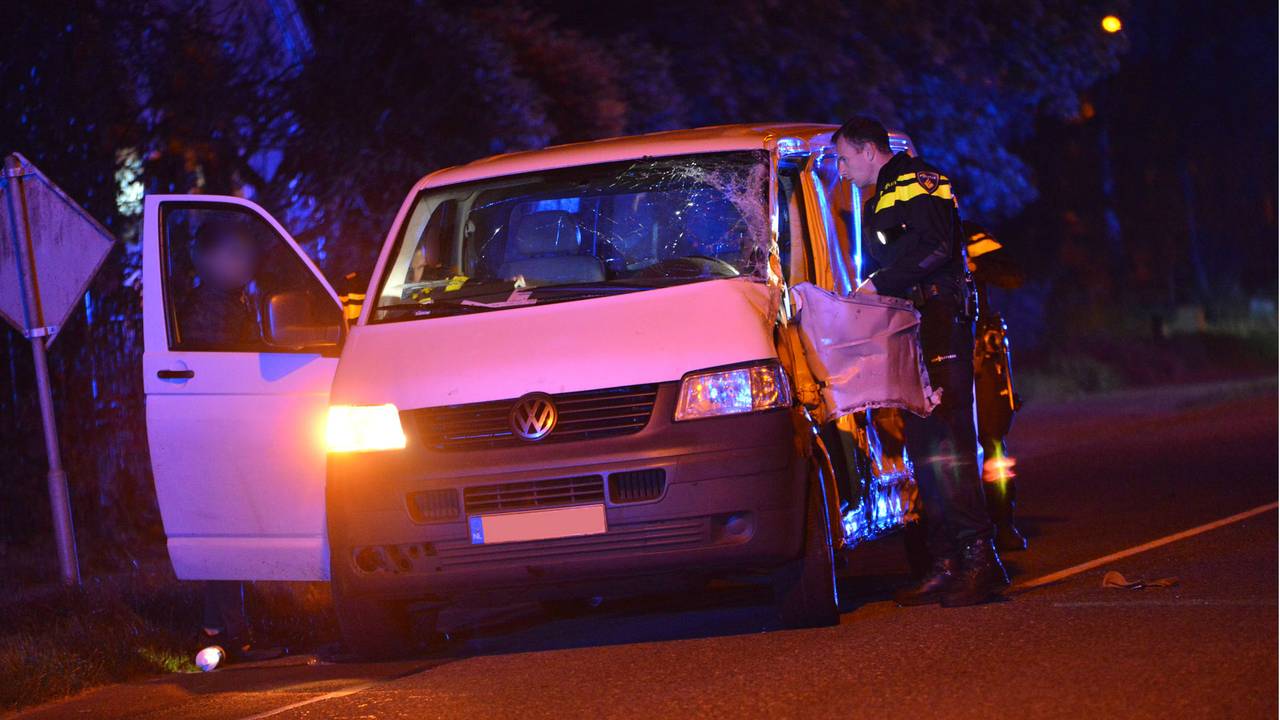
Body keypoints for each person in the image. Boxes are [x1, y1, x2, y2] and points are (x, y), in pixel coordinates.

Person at [833, 116, 1009, 607]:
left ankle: (980, 557)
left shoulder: (917, 180)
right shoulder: (884, 192)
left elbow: (936, 247)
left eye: (845, 159)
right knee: (924, 439)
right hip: (912, 320)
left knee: (949, 434)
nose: (843, 171)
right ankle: (946, 561)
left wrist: (879, 285)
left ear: (869, 149)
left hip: (939, 318)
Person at [178, 218, 266, 660]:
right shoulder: (211, 311)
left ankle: (214, 631)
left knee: (228, 532)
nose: (244, 261)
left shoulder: (227, 302)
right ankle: (236, 635)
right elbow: (225, 375)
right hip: (220, 435)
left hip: (226, 431)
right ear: (207, 259)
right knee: (229, 532)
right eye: (234, 252)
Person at [964, 221, 1028, 552]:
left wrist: (974, 264)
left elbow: (1012, 275)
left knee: (991, 440)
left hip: (979, 354)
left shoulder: (967, 235)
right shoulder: (895, 231)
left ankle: (1003, 522)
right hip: (928, 353)